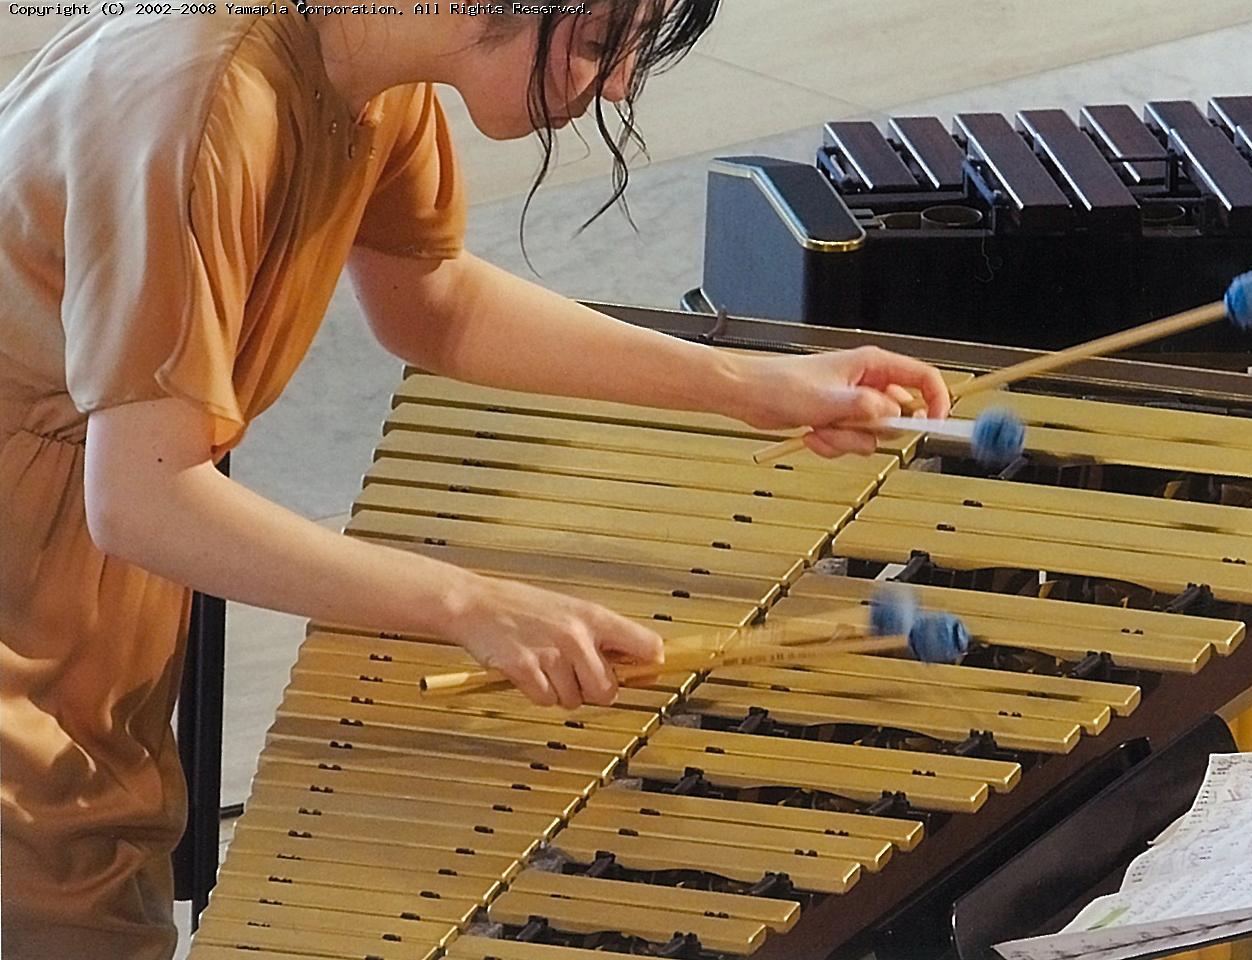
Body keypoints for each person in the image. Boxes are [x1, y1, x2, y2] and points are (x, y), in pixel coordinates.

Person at [0, 2, 952, 957]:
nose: (618, 83)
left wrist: (749, 384)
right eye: (598, 42)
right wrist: (470, 604)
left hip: (86, 567)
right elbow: (144, 498)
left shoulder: (369, 64)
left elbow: (432, 299)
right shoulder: (209, 101)